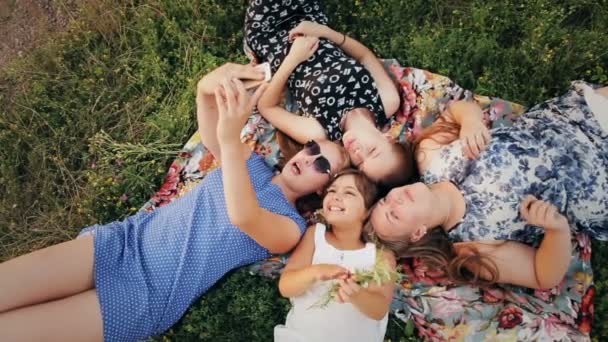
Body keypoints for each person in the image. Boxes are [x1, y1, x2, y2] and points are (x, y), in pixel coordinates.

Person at [0, 63, 349, 341]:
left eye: (322, 164)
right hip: (125, 242)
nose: (309, 157)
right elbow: (210, 118)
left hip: (147, 296)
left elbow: (244, 216)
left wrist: (230, 139)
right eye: (312, 147)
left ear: (323, 188)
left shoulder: (290, 225)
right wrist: (208, 87)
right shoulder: (254, 162)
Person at [368, 82, 608, 289]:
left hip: (573, 119)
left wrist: (471, 120)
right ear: (417, 233)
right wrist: (557, 230)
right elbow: (541, 275)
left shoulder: (429, 159)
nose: (394, 200)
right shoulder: (471, 249)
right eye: (393, 215)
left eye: (385, 200)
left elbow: (454, 112)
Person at [244, 0, 416, 187]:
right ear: (388, 137)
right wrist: (324, 32)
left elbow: (266, 107)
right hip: (312, 20)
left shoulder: (321, 130)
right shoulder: (387, 102)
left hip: (272, 36)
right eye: (372, 151)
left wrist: (293, 59)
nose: (357, 151)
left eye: (359, 163)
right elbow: (364, 56)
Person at [275, 168, 396, 342]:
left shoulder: (381, 256)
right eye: (332, 190)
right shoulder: (315, 235)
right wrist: (315, 272)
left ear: (367, 211)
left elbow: (379, 310)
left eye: (349, 193)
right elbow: (285, 287)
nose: (335, 196)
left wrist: (357, 295)